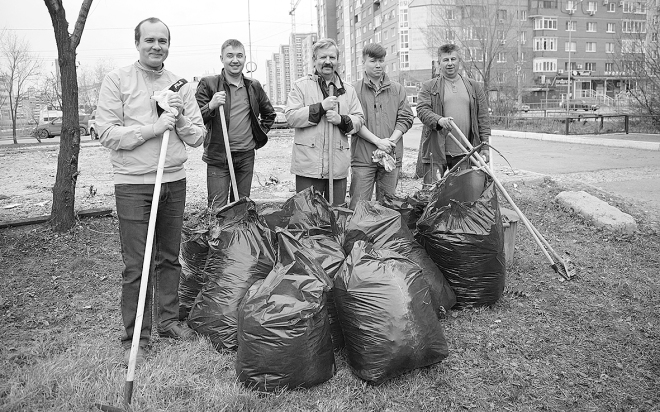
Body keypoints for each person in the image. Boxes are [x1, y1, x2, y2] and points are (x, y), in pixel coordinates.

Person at [97, 17, 206, 365]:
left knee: (169, 258)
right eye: (150, 40)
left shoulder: (179, 85)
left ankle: (169, 322)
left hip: (173, 180)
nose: (157, 46)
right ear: (137, 43)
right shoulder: (117, 80)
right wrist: (153, 128)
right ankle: (136, 335)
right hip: (133, 184)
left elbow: (198, 137)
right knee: (136, 264)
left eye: (163, 41)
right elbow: (106, 132)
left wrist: (179, 117)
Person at [196, 39, 276, 207]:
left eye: (239, 56)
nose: (235, 60)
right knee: (217, 208)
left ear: (245, 58)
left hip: (246, 155)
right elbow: (195, 119)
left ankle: (237, 226)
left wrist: (257, 136)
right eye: (230, 56)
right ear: (222, 58)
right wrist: (211, 105)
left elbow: (269, 114)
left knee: (240, 207)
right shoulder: (209, 84)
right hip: (219, 156)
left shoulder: (253, 86)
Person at [285, 38, 364, 206]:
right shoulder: (300, 86)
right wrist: (320, 108)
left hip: (337, 167)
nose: (328, 61)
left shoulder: (348, 90)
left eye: (332, 57)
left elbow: (359, 119)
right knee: (307, 214)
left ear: (337, 61)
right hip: (308, 167)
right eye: (322, 57)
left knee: (336, 214)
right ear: (314, 60)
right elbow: (291, 117)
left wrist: (341, 120)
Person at [350, 43, 414, 209]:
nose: (378, 65)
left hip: (390, 157)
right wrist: (378, 142)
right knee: (358, 206)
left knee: (387, 207)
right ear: (363, 62)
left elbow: (406, 117)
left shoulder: (397, 89)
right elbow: (353, 121)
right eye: (373, 61)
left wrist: (390, 143)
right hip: (363, 158)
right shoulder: (353, 90)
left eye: (381, 60)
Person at [416, 43, 491, 184]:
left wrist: (485, 146)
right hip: (435, 152)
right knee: (431, 193)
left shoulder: (474, 86)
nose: (450, 63)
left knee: (461, 193)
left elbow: (483, 118)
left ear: (459, 61)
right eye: (445, 60)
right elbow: (422, 110)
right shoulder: (429, 86)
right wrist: (438, 120)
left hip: (465, 152)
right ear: (439, 63)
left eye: (453, 59)